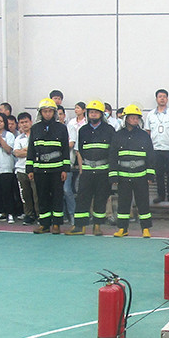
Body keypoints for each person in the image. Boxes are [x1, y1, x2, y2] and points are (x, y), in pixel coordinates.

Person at [66, 100, 115, 236]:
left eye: (96, 112)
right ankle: (79, 226)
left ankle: (97, 226)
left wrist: (112, 172)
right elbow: (80, 151)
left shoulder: (109, 130)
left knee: (101, 198)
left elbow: (113, 152)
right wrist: (82, 169)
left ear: (101, 114)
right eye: (91, 112)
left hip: (103, 170)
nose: (93, 114)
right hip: (87, 170)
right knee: (82, 198)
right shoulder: (83, 130)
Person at [110, 104, 155, 238]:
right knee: (123, 203)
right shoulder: (118, 135)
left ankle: (145, 228)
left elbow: (150, 156)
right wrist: (113, 175)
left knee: (143, 202)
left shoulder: (144, 135)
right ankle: (122, 228)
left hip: (141, 175)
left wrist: (150, 174)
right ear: (126, 119)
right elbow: (113, 156)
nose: (135, 120)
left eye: (137, 118)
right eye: (132, 118)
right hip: (123, 176)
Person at [26, 98, 70, 234]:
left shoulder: (61, 128)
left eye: (50, 111)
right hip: (40, 169)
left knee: (57, 197)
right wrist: (29, 169)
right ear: (40, 113)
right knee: (42, 197)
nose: (47, 114)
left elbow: (65, 150)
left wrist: (65, 169)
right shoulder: (35, 128)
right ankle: (44, 224)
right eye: (45, 111)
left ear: (54, 112)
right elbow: (31, 149)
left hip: (57, 169)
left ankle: (56, 224)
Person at [143, 89, 169, 204]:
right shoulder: (151, 114)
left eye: (164, 97)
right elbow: (148, 130)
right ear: (156, 99)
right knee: (158, 173)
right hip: (156, 149)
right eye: (160, 96)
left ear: (167, 99)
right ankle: (160, 195)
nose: (162, 99)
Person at [12, 112, 38, 225]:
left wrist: (25, 150)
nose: (24, 124)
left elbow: (37, 151)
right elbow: (17, 153)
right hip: (21, 170)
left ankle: (40, 215)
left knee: (37, 194)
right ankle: (29, 215)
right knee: (25, 195)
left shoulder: (37, 136)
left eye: (26, 122)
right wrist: (29, 151)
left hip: (35, 169)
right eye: (22, 122)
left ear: (31, 122)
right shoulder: (18, 138)